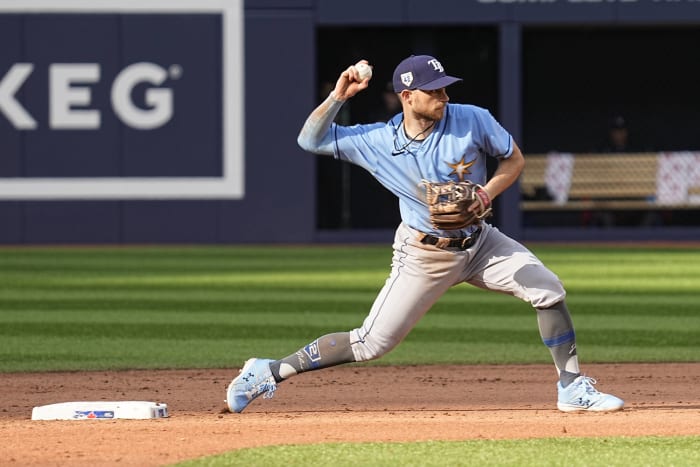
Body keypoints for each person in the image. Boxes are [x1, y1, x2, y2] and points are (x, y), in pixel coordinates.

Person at [226, 55, 624, 414]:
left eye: (445, 87)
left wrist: (486, 192)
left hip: (481, 242)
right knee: (370, 344)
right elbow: (308, 140)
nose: (443, 96)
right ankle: (268, 371)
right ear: (407, 95)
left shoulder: (473, 118)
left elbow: (513, 159)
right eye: (433, 90)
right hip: (424, 254)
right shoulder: (376, 141)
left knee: (548, 289)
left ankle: (571, 387)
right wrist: (338, 97)